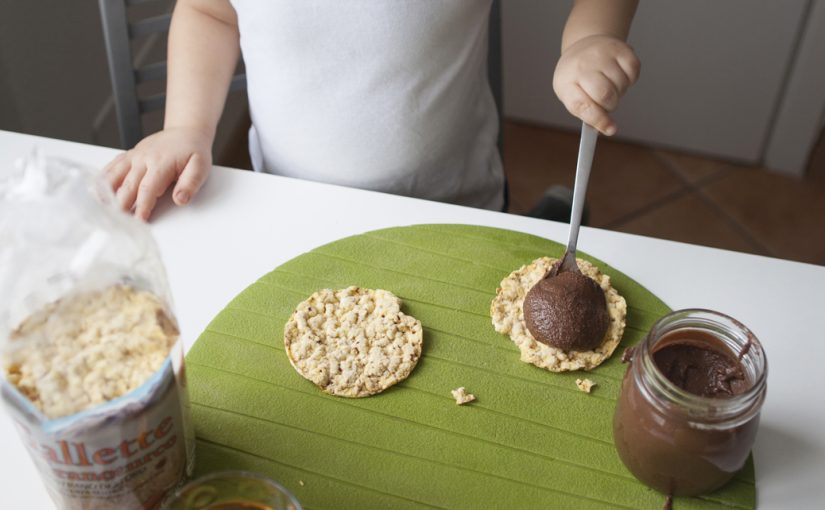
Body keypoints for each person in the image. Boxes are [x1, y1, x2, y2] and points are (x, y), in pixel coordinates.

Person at [105, 0, 640, 221]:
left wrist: (590, 38)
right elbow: (208, 11)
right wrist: (187, 127)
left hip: (454, 209)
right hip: (292, 210)